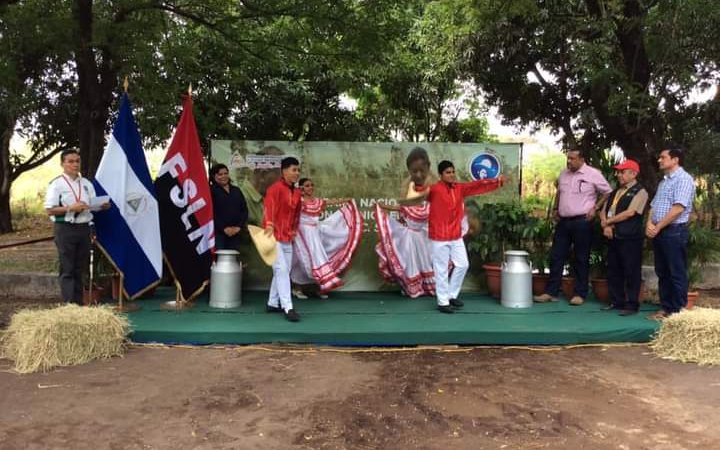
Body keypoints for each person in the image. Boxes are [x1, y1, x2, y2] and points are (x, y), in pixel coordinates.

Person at [422, 160, 503, 313]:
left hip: (455, 235)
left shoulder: (459, 188)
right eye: (448, 172)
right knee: (441, 270)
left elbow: (477, 186)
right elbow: (417, 194)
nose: (451, 174)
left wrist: (497, 182)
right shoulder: (434, 190)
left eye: (453, 171)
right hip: (439, 236)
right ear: (441, 175)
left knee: (463, 264)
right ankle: (442, 302)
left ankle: (451, 295)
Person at [534, 149, 612, 306]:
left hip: (582, 221)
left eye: (572, 158)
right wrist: (555, 209)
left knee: (581, 258)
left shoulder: (592, 173)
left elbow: (608, 192)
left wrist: (595, 208)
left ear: (582, 159)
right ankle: (551, 292)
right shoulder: (564, 174)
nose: (569, 161)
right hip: (563, 221)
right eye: (567, 158)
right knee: (556, 256)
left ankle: (579, 293)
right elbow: (559, 192)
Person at [44, 149, 109, 304]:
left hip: (84, 228)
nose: (74, 164)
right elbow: (49, 209)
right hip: (66, 228)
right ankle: (69, 304)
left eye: (77, 161)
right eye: (70, 161)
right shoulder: (57, 184)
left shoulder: (86, 184)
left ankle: (79, 303)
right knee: (68, 268)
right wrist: (70, 208)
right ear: (63, 164)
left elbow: (91, 204)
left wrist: (101, 206)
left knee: (81, 268)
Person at [374, 147, 438, 298]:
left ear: (428, 167)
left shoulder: (436, 187)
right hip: (410, 234)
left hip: (427, 233)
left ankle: (430, 287)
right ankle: (412, 288)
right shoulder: (407, 187)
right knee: (410, 262)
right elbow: (403, 208)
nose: (418, 175)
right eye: (414, 171)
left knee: (428, 261)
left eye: (421, 170)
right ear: (409, 170)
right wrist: (383, 207)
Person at [645, 145, 696, 320]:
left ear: (675, 160)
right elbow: (653, 206)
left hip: (674, 231)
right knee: (663, 272)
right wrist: (649, 223)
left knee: (676, 271)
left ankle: (678, 312)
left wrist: (657, 227)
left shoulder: (683, 179)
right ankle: (666, 308)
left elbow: (678, 209)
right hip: (660, 231)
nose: (659, 160)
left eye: (663, 157)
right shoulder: (664, 181)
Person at [291, 178, 362, 298]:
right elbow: (291, 216)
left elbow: (331, 202)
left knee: (319, 259)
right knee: (301, 260)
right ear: (301, 188)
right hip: (301, 234)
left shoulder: (316, 201)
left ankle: (319, 288)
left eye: (312, 185)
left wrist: (347, 200)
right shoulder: (298, 201)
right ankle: (297, 288)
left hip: (314, 233)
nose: (311, 188)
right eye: (307, 186)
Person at [598, 159, 648, 316]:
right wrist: (605, 225)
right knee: (614, 270)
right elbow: (604, 209)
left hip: (630, 238)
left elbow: (630, 213)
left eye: (622, 172)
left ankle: (632, 305)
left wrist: (608, 222)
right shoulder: (615, 191)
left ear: (633, 174)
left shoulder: (640, 191)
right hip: (614, 237)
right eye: (618, 172)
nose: (619, 175)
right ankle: (616, 301)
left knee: (631, 271)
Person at [263, 157, 303, 322]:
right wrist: (269, 225)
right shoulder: (275, 189)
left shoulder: (297, 192)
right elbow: (269, 208)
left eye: (298, 170)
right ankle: (288, 307)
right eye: (294, 170)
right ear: (284, 170)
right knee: (281, 270)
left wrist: (294, 230)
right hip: (273, 236)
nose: (297, 173)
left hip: (288, 236)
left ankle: (272, 302)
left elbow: (296, 214)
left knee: (283, 271)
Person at [209, 163, 248, 251]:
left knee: (234, 262)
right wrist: (223, 228)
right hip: (219, 234)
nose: (224, 176)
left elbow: (244, 210)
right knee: (221, 262)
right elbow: (209, 212)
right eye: (220, 174)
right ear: (214, 176)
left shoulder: (236, 190)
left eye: (226, 173)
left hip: (236, 234)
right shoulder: (210, 191)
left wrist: (238, 227)